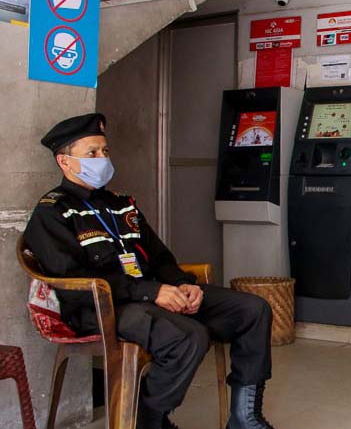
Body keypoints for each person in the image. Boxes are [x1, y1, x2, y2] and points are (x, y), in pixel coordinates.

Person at [24, 113, 275, 429]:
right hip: (100, 307)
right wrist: (152, 292)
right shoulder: (53, 212)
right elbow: (71, 280)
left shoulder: (121, 205)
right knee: (188, 336)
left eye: (105, 151)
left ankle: (244, 418)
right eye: (92, 153)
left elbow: (159, 257)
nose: (102, 158)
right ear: (65, 162)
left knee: (252, 309)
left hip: (149, 296)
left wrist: (183, 284)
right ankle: (149, 420)